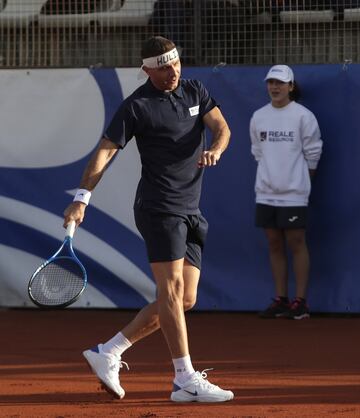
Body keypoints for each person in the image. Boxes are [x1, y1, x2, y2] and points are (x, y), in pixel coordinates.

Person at [63, 36, 234, 402]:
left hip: (191, 208)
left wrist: (216, 149)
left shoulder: (195, 90)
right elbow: (105, 152)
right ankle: (184, 378)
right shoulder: (136, 106)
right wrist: (81, 199)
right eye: (163, 67)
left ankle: (109, 350)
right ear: (147, 70)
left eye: (175, 64)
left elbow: (222, 128)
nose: (172, 72)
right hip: (159, 207)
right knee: (170, 291)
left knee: (184, 299)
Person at [250, 64, 323, 320]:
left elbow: (313, 154)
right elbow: (258, 152)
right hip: (265, 192)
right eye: (271, 83)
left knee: (296, 242)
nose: (274, 87)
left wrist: (300, 183)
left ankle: (300, 302)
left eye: (280, 83)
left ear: (291, 86)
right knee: (273, 243)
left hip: (294, 194)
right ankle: (281, 300)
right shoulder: (259, 116)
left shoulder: (303, 116)